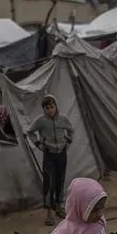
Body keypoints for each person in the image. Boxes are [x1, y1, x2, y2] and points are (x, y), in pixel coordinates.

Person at [26, 95, 75, 226]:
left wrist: (68, 143)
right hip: (49, 155)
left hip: (61, 154)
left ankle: (59, 208)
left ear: (56, 106)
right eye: (47, 108)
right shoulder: (41, 121)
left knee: (60, 180)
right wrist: (38, 144)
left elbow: (71, 130)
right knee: (49, 183)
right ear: (44, 109)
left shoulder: (63, 119)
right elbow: (30, 131)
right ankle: (49, 214)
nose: (50, 110)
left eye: (52, 107)